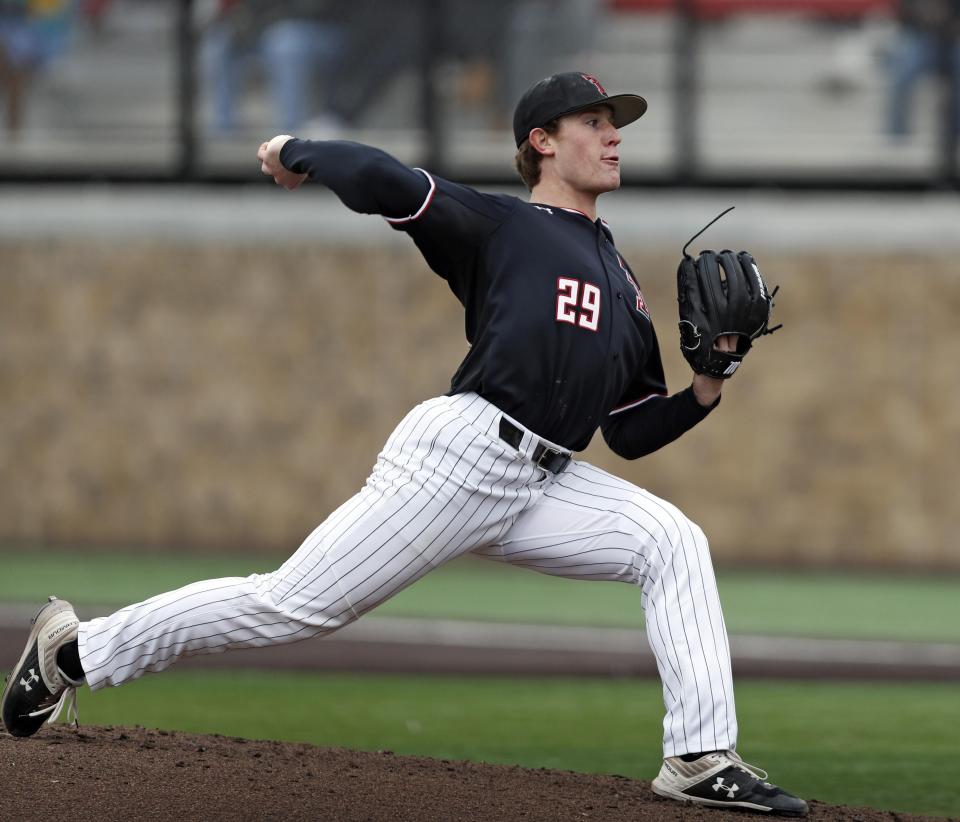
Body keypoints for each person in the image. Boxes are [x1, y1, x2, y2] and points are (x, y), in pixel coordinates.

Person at [1, 72, 808, 817]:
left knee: (672, 540)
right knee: (292, 605)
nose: (613, 136)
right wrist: (297, 152)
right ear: (541, 141)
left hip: (546, 482)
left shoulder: (625, 286)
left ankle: (700, 758)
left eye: (615, 124)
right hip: (462, 456)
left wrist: (709, 387)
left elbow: (629, 433)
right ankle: (76, 654)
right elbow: (389, 181)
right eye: (592, 122)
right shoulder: (506, 226)